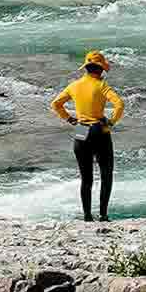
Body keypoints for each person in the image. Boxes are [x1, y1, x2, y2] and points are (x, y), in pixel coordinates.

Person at [50, 50, 125, 222]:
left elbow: (56, 104)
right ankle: (103, 215)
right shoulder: (102, 86)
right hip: (99, 129)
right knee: (106, 175)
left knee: (86, 178)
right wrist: (111, 122)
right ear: (100, 70)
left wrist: (70, 119)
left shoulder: (74, 85)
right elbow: (119, 104)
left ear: (86, 68)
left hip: (81, 129)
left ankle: (87, 216)